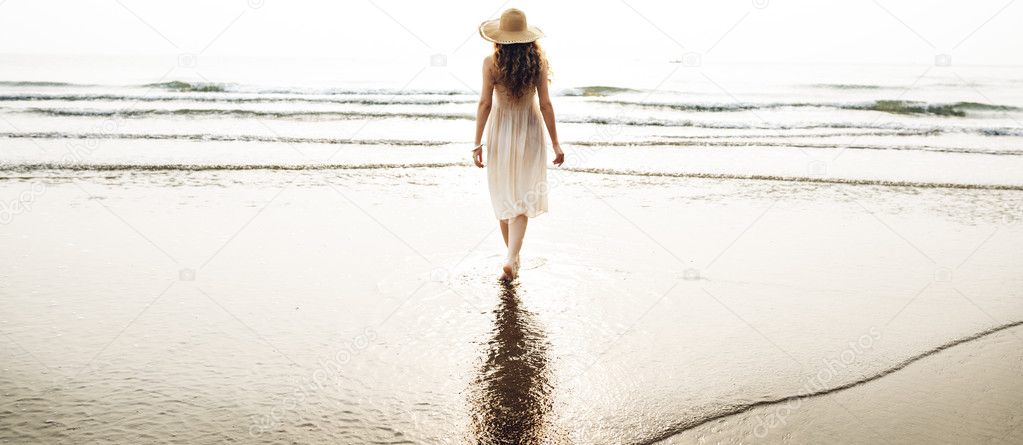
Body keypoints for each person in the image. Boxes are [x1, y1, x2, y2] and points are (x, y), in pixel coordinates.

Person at [473, 8, 564, 281]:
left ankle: (512, 258)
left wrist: (477, 142)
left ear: (500, 37)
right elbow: (546, 105)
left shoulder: (491, 62)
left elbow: (485, 104)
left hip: (501, 131)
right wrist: (556, 144)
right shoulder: (538, 63)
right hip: (531, 130)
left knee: (503, 195)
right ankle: (512, 258)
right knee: (522, 197)